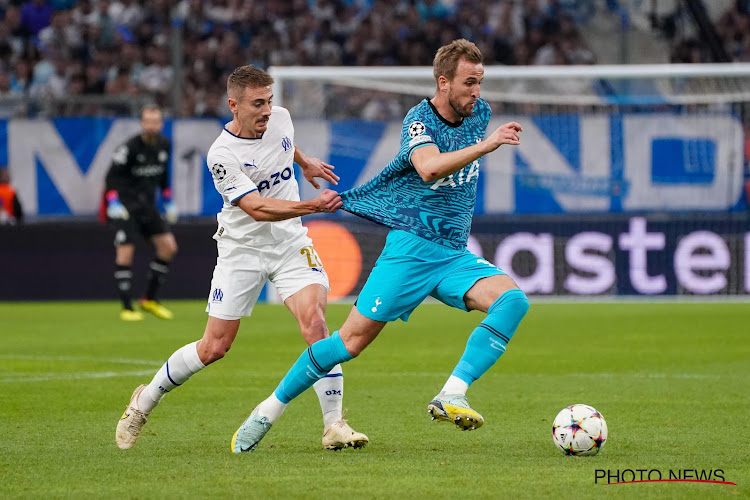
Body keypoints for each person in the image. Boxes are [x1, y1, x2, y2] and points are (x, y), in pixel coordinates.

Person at [232, 39, 530, 452]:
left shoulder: (480, 113)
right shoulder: (418, 119)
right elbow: (426, 167)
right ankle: (267, 410)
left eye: (479, 82)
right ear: (443, 82)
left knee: (514, 301)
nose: (476, 92)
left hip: (452, 254)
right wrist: (487, 145)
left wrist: (485, 137)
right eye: (468, 82)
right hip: (410, 251)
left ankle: (451, 394)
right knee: (347, 344)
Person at [115, 65, 369, 452]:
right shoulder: (222, 155)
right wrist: (313, 205)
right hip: (241, 249)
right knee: (214, 347)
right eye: (257, 104)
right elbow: (257, 208)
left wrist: (304, 161)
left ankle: (334, 424)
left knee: (317, 326)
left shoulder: (280, 119)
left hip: (289, 243)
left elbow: (285, 143)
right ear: (234, 105)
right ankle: (144, 401)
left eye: (269, 101)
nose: (267, 110)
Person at [104, 105, 179, 321]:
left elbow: (163, 177)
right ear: (142, 123)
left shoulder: (165, 145)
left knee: (168, 247)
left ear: (161, 124)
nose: (152, 126)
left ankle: (150, 299)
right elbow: (111, 178)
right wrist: (113, 202)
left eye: (156, 122)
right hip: (126, 208)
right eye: (148, 121)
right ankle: (127, 307)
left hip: (148, 207)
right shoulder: (128, 148)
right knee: (125, 253)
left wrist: (168, 200)